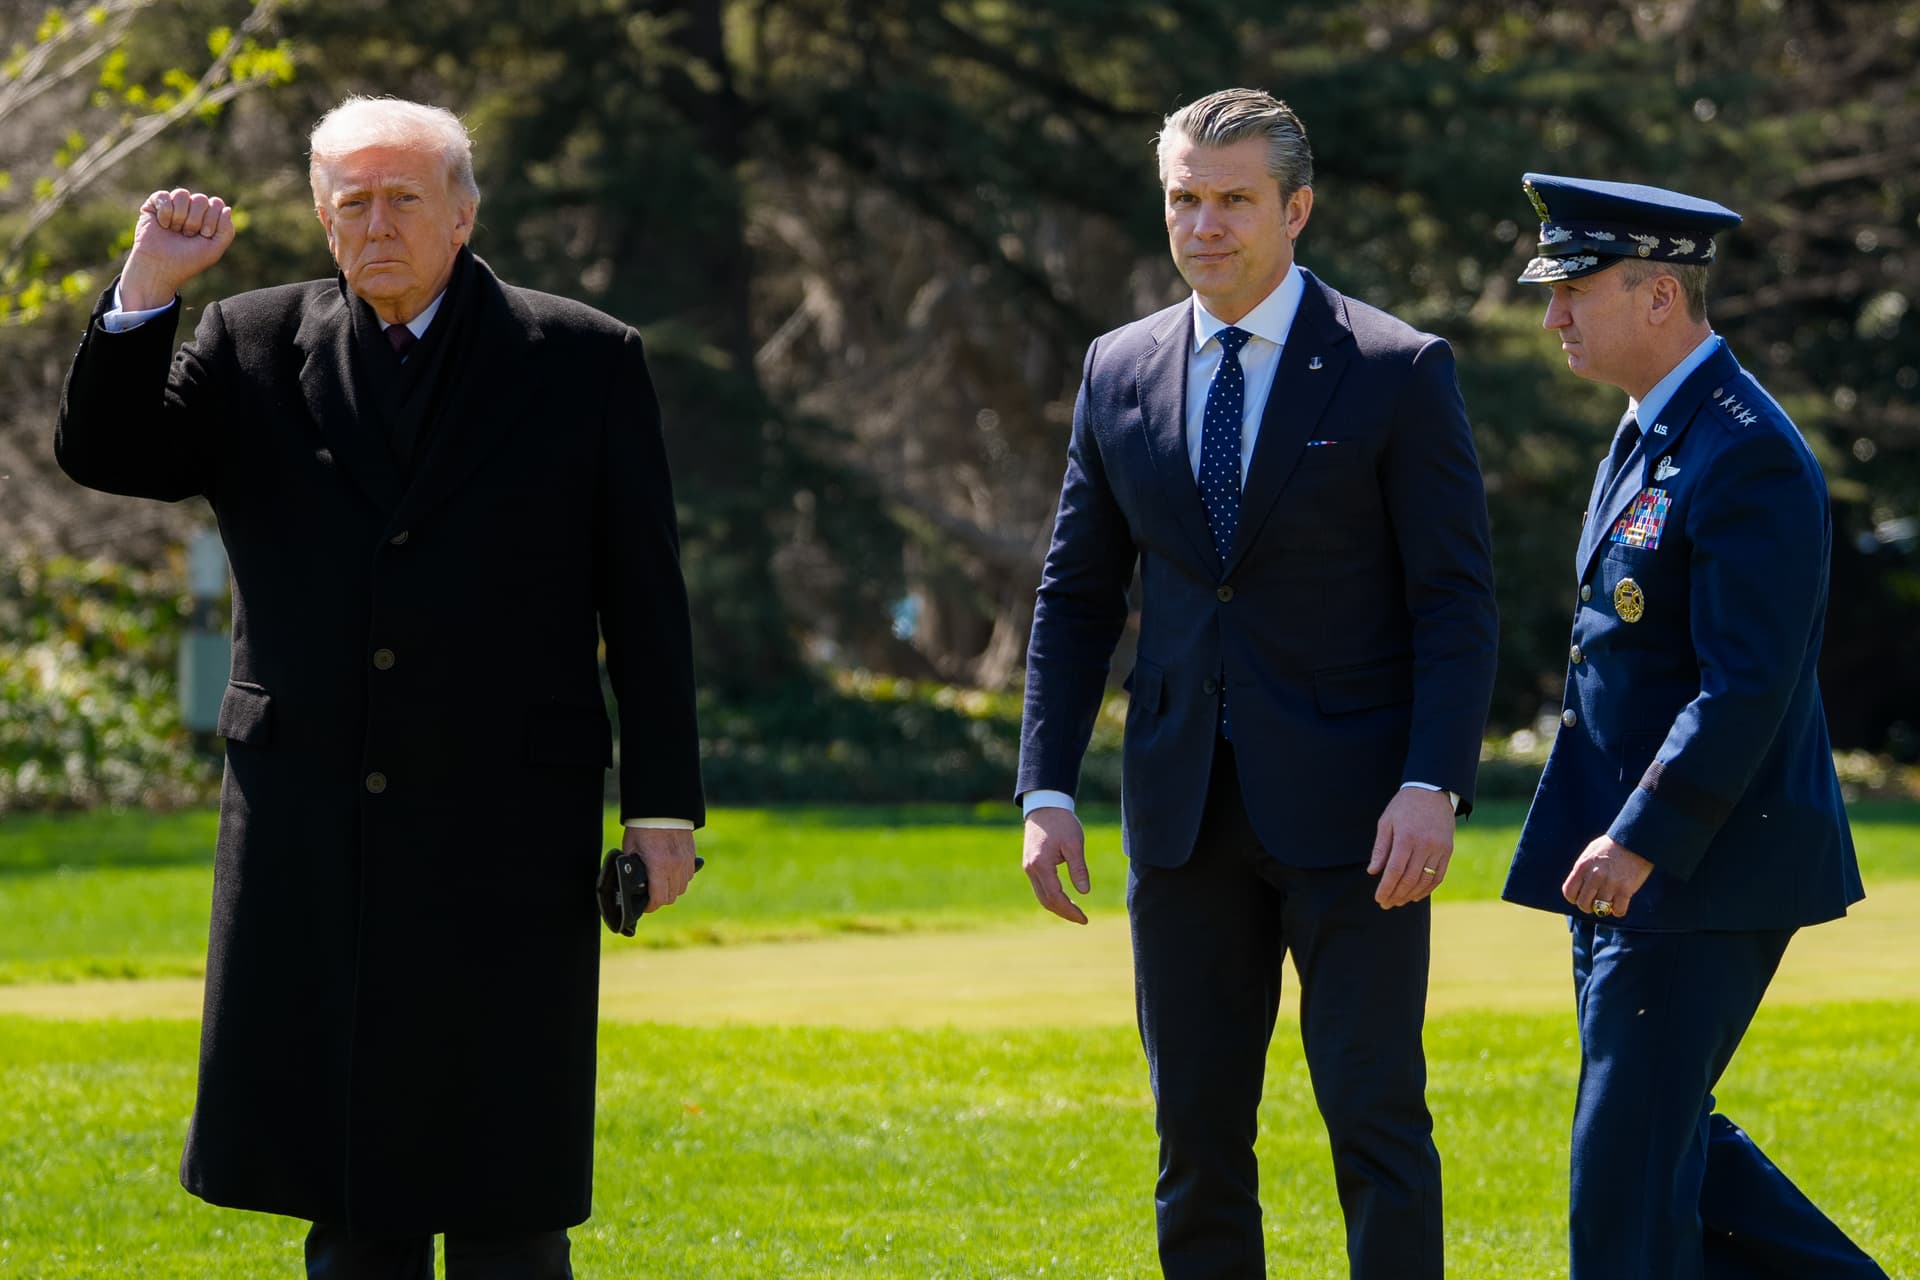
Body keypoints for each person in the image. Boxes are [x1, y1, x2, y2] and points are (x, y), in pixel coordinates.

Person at [53, 96, 704, 1279]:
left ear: (463, 214)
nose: (377, 222)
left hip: (507, 821)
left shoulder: (583, 357)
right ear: (320, 217)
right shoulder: (247, 343)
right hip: (312, 819)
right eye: (351, 201)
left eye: (404, 197)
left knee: (509, 1200)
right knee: (350, 1204)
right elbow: (110, 452)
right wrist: (149, 282)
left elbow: (645, 601)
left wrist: (662, 808)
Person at [1015, 87, 1497, 1280]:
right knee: (1196, 1142)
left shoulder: (1396, 366)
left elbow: (1456, 600)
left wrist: (1434, 779)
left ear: (1298, 209)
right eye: (1186, 197)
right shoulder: (1117, 368)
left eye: (1234, 199)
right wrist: (1045, 786)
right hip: (1182, 819)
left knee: (1377, 1123)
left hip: (1361, 820)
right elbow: (1076, 597)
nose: (1206, 223)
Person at [1503, 173, 1888, 1280]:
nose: (1553, 317)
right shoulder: (1651, 431)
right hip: (1632, 860)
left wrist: (1640, 836)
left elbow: (1747, 683)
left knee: (1620, 1182)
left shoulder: (1743, 449)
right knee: (1667, 1149)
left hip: (1696, 859)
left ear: (1659, 294)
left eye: (1574, 290)